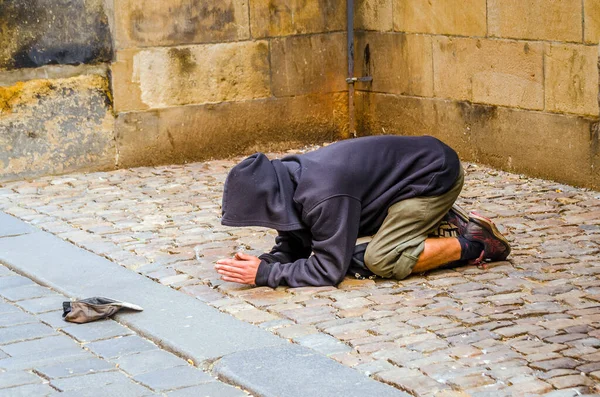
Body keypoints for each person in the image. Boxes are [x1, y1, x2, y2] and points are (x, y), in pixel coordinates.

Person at [215, 135, 510, 288]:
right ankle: (436, 221)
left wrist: (266, 274)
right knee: (354, 259)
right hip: (404, 180)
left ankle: (476, 243)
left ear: (269, 199)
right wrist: (263, 263)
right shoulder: (288, 181)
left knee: (379, 259)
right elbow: (297, 243)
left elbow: (328, 270)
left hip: (434, 176)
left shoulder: (323, 194)